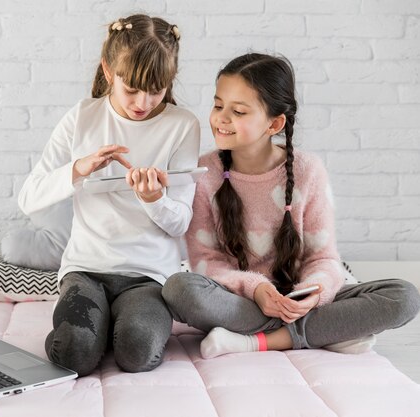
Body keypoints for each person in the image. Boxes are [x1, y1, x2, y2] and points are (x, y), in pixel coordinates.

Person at [162, 52, 420, 358]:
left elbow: (323, 258)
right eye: (218, 105)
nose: (221, 118)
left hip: (297, 296)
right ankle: (324, 331)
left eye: (239, 111)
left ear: (275, 123)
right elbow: (206, 262)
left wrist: (313, 293)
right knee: (179, 289)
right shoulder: (205, 173)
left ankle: (257, 340)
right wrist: (257, 290)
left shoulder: (307, 171)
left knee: (403, 297)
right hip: (240, 300)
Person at [18, 14, 200, 376]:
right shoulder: (82, 117)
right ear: (107, 69)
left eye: (156, 89)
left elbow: (180, 223)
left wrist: (154, 200)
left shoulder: (182, 125)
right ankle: (93, 330)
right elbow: (29, 197)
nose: (142, 102)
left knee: (138, 352)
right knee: (73, 353)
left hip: (149, 277)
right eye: (130, 87)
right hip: (87, 270)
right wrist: (78, 169)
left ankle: (112, 325)